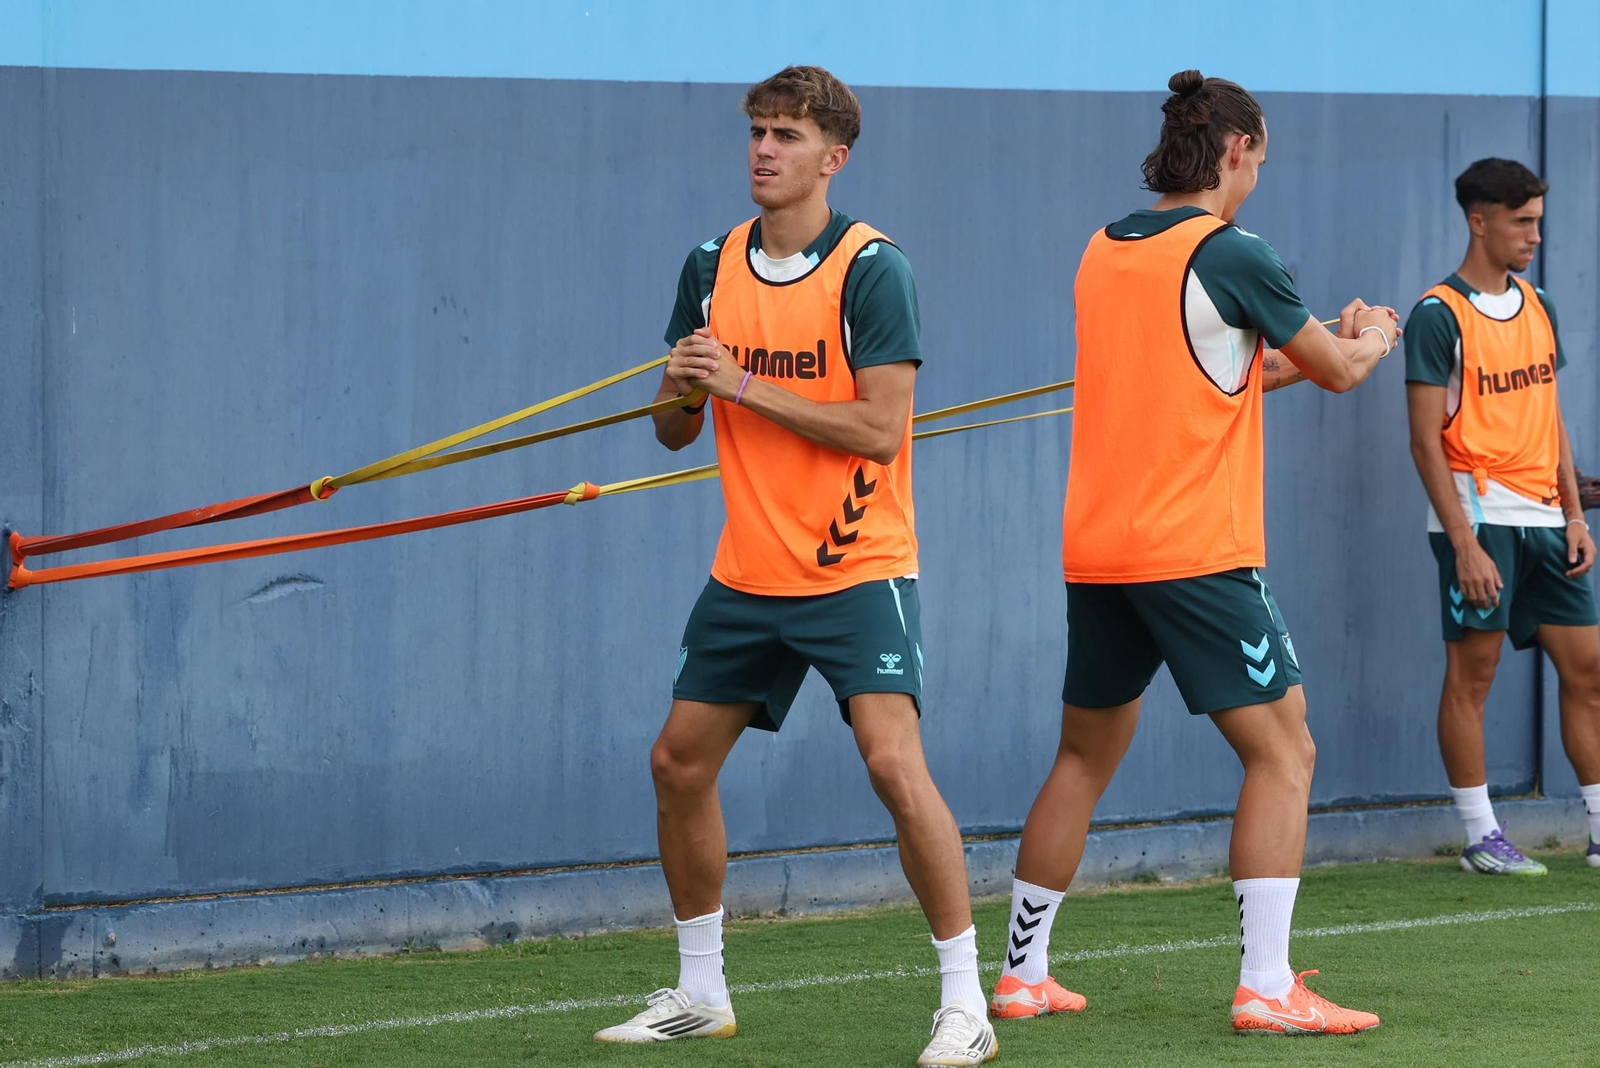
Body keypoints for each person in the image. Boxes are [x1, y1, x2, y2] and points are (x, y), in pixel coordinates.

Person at [594, 66, 997, 1065]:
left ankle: (965, 1005)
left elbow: (879, 429)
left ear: (833, 157)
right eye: (756, 133)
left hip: (857, 564)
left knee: (893, 767)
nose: (763, 150)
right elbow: (673, 432)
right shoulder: (708, 263)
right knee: (675, 763)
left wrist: (741, 385)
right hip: (748, 572)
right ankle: (700, 990)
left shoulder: (871, 269)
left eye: (784, 135)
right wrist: (683, 388)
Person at [990, 70, 1396, 1036]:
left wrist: (1316, 349)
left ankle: (1021, 975)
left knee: (1083, 757)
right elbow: (1337, 374)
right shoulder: (1233, 250)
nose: (1259, 170)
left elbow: (1226, 372)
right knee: (1286, 750)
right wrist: (1372, 335)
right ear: (1235, 150)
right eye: (1260, 153)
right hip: (1197, 549)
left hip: (1099, 548)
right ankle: (1265, 984)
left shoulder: (1104, 247)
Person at [1403, 157, 1600, 875]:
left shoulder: (1539, 303)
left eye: (1539, 221)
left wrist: (1577, 516)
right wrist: (1464, 543)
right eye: (1522, 222)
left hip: (1549, 519)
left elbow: (1551, 417)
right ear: (1478, 221)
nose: (1534, 235)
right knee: (1473, 678)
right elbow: (1424, 439)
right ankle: (1481, 835)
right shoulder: (1437, 314)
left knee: (1590, 671)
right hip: (1478, 521)